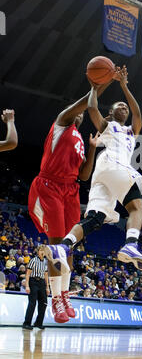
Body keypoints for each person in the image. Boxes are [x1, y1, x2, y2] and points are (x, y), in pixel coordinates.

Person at [44, 65, 142, 280]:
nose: (124, 106)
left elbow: (137, 113)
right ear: (111, 113)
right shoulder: (108, 126)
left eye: (125, 106)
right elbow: (92, 109)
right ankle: (131, 244)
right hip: (114, 165)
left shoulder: (131, 131)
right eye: (118, 105)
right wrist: (94, 88)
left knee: (95, 219)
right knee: (137, 208)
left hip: (104, 175)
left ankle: (62, 247)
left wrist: (124, 87)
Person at [28, 81, 112, 324]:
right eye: (81, 111)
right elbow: (86, 102)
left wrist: (93, 148)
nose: (83, 113)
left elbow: (84, 175)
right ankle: (55, 299)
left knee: (69, 245)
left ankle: (64, 294)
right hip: (50, 186)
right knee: (55, 244)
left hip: (71, 190)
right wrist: (100, 85)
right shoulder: (61, 124)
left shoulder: (79, 142)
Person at [22, 246, 50, 330]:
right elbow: (27, 274)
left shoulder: (45, 262)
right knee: (32, 303)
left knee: (44, 303)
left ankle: (38, 322)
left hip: (42, 283)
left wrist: (47, 287)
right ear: (38, 251)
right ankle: (26, 323)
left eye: (44, 251)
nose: (42, 252)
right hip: (33, 281)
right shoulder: (33, 260)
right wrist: (27, 285)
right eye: (41, 250)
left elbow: (46, 275)